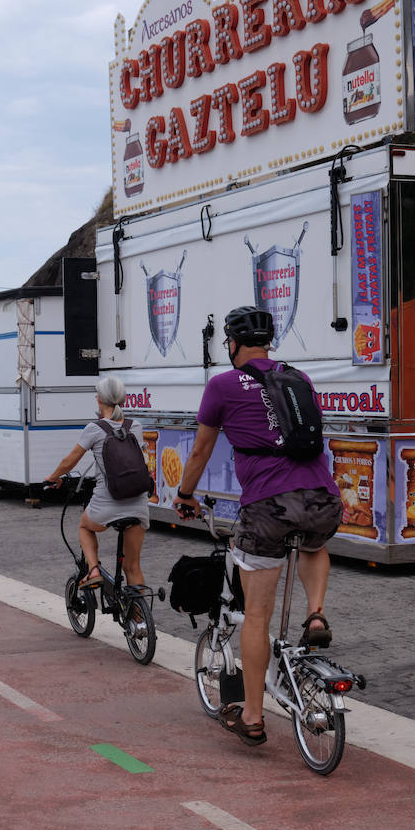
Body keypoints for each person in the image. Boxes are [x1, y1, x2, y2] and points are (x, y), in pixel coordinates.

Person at [171, 307, 342, 748]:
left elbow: (201, 450)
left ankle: (251, 716)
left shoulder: (222, 385)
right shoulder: (299, 379)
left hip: (267, 508)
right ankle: (316, 612)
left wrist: (185, 494)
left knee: (257, 617)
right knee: (312, 543)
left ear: (233, 343)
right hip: (323, 499)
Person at [44, 376, 149, 589]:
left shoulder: (94, 428)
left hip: (107, 503)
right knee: (133, 567)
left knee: (84, 526)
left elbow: (70, 461)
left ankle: (93, 570)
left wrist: (53, 477)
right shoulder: (136, 426)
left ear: (100, 399)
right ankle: (139, 611)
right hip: (138, 504)